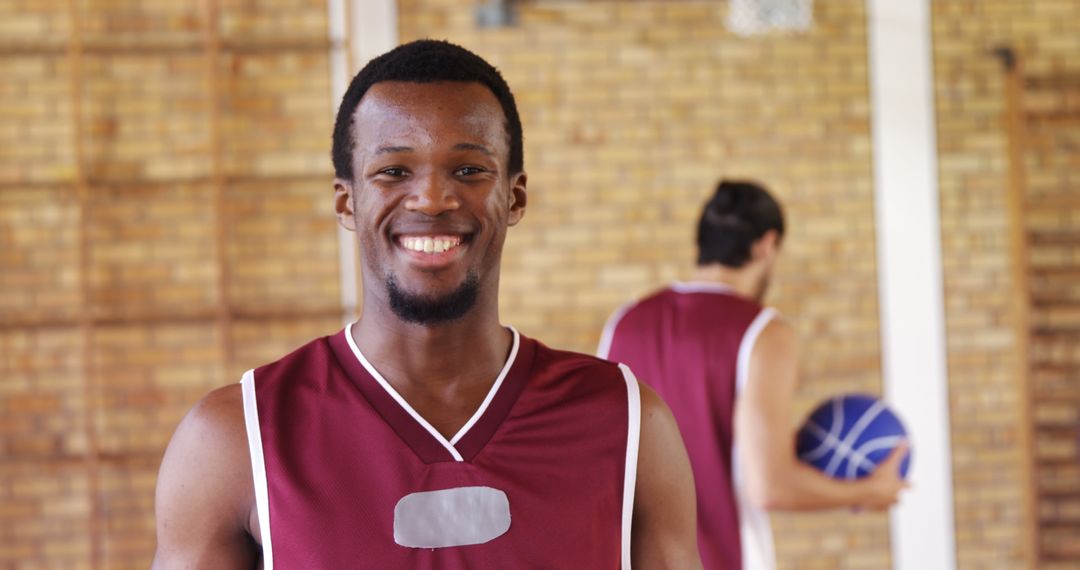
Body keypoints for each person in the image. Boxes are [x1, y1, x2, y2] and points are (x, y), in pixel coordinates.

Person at [152, 39, 701, 568]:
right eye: (393, 171)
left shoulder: (628, 423)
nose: (433, 199)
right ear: (347, 201)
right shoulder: (235, 437)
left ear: (514, 196)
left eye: (469, 170)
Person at [597, 180, 909, 570]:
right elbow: (769, 486)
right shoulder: (763, 331)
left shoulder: (624, 322)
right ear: (766, 245)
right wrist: (868, 490)